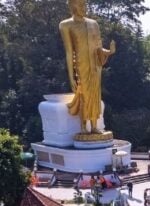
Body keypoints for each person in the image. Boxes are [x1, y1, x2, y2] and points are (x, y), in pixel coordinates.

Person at [59, 0, 116, 134]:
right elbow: (69, 52)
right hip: (81, 64)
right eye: (80, 5)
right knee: (85, 94)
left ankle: (95, 126)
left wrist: (109, 52)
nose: (84, 8)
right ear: (72, 6)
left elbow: (98, 48)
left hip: (95, 66)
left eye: (85, 5)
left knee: (95, 95)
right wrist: (71, 77)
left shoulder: (93, 24)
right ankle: (84, 127)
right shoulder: (66, 25)